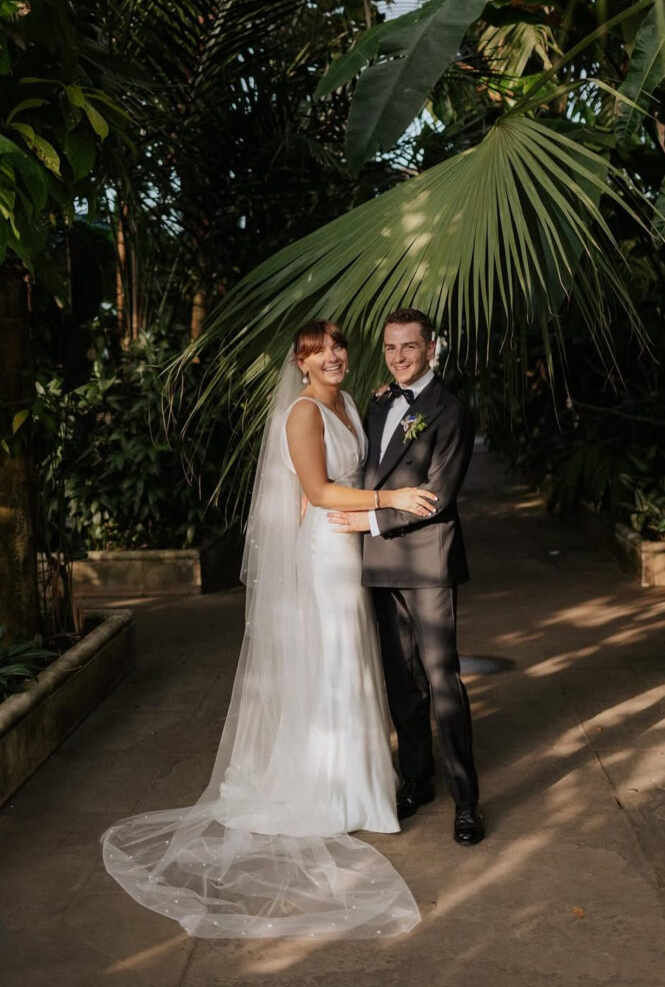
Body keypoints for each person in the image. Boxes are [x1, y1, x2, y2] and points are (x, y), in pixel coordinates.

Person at [101, 319, 434, 938]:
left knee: (353, 660)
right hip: (327, 551)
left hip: (351, 543)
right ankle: (331, 792)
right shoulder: (305, 414)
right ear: (300, 365)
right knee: (336, 659)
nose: (332, 357)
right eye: (318, 353)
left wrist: (358, 499)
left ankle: (360, 785)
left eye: (338, 347)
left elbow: (342, 483)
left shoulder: (352, 401)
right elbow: (317, 488)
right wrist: (389, 501)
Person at [328, 308, 484, 846]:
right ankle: (418, 779)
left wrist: (370, 518)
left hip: (427, 559)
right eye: (391, 348)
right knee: (402, 682)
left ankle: (468, 802)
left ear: (430, 349)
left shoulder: (451, 410)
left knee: (443, 681)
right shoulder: (375, 404)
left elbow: (437, 498)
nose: (398, 358)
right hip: (380, 563)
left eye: (409, 348)